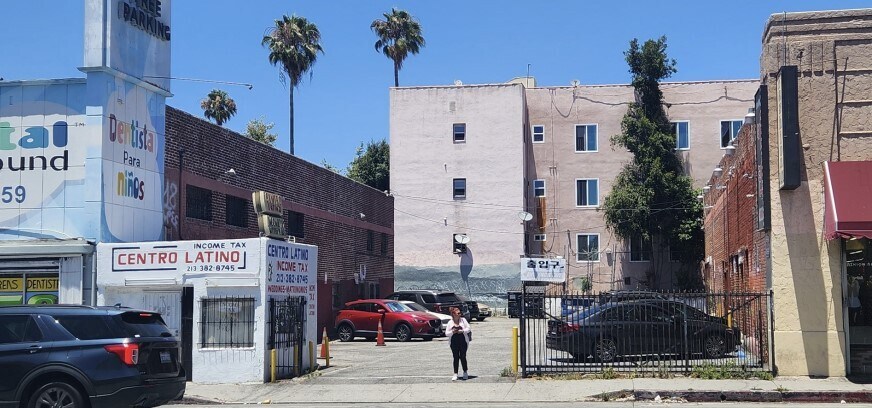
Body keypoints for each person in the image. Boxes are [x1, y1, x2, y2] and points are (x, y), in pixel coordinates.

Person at [447, 306, 471, 381]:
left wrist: (462, 331)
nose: (460, 314)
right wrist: (452, 332)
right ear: (453, 314)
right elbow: (447, 333)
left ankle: (465, 372)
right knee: (455, 357)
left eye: (460, 313)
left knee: (463, 356)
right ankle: (455, 373)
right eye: (458, 313)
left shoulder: (463, 320)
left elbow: (468, 328)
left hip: (463, 339)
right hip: (454, 340)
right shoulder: (450, 322)